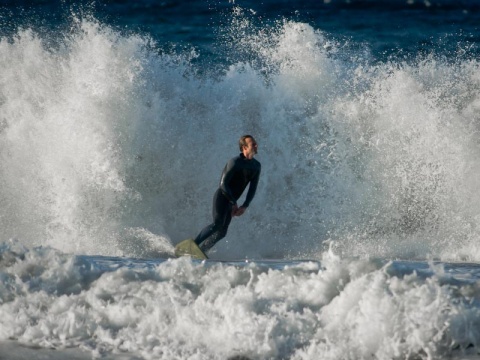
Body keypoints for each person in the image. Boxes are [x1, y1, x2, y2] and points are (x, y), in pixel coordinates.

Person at [194, 135, 261, 253]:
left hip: (232, 201)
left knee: (222, 232)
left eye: (256, 143)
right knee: (217, 224)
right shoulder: (235, 162)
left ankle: (202, 250)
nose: (256, 145)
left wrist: (245, 205)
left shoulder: (256, 166)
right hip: (222, 196)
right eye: (253, 144)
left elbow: (252, 188)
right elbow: (223, 184)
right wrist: (233, 202)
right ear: (244, 147)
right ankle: (193, 245)